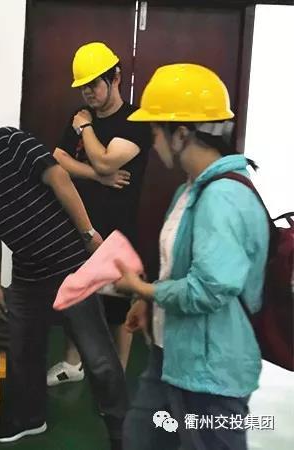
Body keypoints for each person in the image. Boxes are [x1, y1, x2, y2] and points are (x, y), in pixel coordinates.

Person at [0, 99, 127, 449]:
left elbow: (59, 178)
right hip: (28, 276)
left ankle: (121, 430)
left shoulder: (11, 142)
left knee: (97, 355)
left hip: (68, 265)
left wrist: (88, 234)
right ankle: (30, 418)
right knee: (22, 350)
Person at [113, 64, 269, 450]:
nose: (153, 142)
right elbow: (179, 266)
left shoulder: (222, 198)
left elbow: (210, 289)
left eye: (155, 131)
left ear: (181, 134)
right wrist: (149, 304)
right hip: (172, 354)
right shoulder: (191, 190)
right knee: (141, 437)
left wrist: (145, 291)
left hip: (209, 372)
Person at [48, 42, 151, 386]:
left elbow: (107, 160)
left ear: (115, 77)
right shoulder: (80, 116)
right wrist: (97, 176)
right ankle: (72, 364)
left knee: (119, 302)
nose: (88, 93)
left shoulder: (134, 120)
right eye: (83, 87)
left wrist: (86, 129)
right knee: (77, 294)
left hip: (117, 229)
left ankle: (118, 373)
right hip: (79, 223)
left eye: (94, 84)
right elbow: (59, 158)